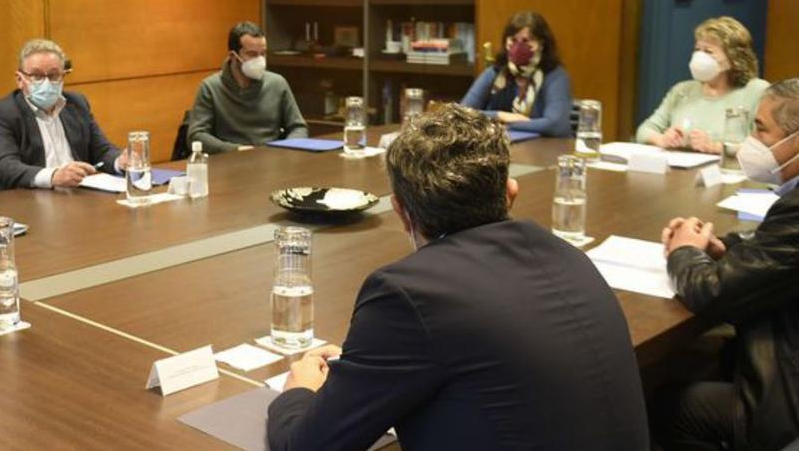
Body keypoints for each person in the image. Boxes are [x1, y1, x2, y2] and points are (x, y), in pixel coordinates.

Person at [266, 104, 648, 450]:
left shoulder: (409, 295)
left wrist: (298, 392)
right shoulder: (569, 255)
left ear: (401, 212)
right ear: (510, 193)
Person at [655, 79, 799, 450]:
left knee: (657, 402)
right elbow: (777, 253)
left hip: (785, 404)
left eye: (761, 128)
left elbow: (712, 292)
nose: (752, 140)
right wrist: (725, 248)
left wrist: (684, 252)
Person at [0, 38, 125, 191]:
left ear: (63, 76)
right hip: (27, 200)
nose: (46, 83)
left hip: (78, 196)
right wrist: (54, 176)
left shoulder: (77, 104)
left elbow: (101, 151)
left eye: (53, 75)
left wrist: (121, 161)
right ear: (20, 79)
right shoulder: (2, 112)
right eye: (37, 76)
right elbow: (4, 166)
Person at [636, 16, 769, 153]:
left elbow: (764, 148)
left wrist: (714, 147)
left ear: (733, 58)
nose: (699, 56)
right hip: (681, 170)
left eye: (708, 51)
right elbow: (644, 131)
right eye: (697, 49)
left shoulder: (757, 91)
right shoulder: (682, 90)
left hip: (728, 171)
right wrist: (663, 139)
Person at [187, 21, 308, 154]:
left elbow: (298, 127)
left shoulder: (277, 83)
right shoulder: (210, 87)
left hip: (271, 160)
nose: (260, 60)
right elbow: (196, 136)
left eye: (263, 53)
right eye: (252, 54)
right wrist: (235, 149)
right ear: (233, 56)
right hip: (228, 162)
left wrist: (284, 150)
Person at [460, 11, 573, 137]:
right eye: (513, 40)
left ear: (541, 44)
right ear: (505, 42)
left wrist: (505, 124)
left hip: (544, 151)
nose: (519, 46)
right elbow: (462, 113)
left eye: (526, 41)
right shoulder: (496, 72)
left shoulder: (555, 75)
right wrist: (500, 116)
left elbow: (557, 125)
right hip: (502, 149)